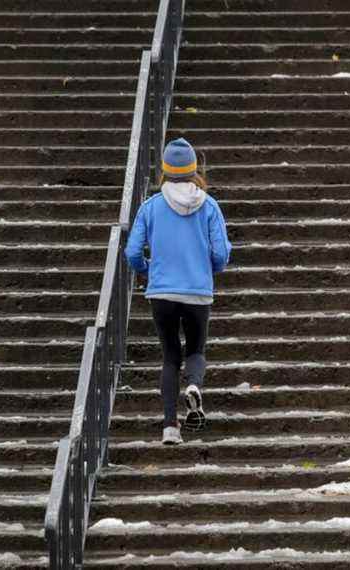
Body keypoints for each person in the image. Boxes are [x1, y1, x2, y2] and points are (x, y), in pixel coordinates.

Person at [124, 138, 232, 445]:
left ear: (165, 170)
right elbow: (221, 253)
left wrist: (148, 270)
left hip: (162, 294)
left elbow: (132, 252)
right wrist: (207, 270)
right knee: (196, 349)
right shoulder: (209, 206)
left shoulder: (151, 207)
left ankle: (170, 427)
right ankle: (195, 385)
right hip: (197, 292)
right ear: (193, 169)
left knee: (170, 356)